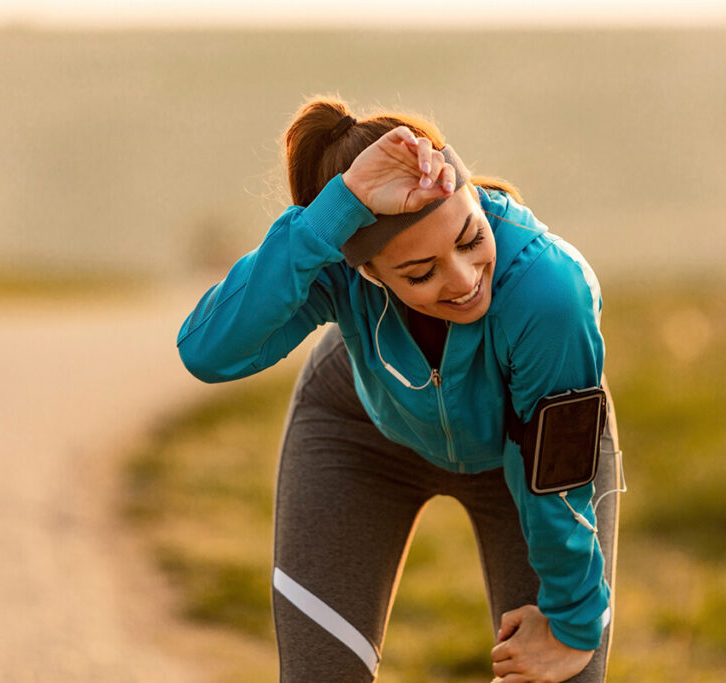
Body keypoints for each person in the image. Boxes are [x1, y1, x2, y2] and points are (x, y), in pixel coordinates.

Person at [177, 95, 622, 682]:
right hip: (359, 432)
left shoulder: (547, 291)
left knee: (564, 670)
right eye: (420, 272)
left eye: (470, 238)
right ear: (365, 271)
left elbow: (556, 476)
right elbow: (208, 350)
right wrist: (326, 220)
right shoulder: (337, 270)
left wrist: (572, 622)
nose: (464, 281)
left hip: (530, 456)